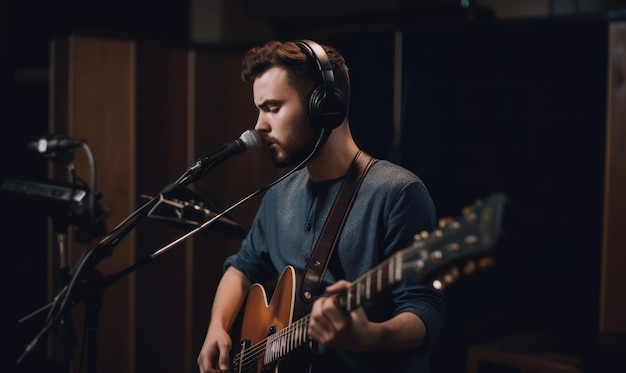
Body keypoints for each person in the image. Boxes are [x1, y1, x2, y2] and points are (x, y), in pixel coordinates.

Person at [197, 39, 445, 373]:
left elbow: (424, 309)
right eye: (259, 109)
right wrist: (218, 326)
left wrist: (369, 336)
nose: (258, 126)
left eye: (272, 108)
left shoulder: (397, 194)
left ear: (325, 107)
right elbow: (242, 266)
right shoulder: (278, 195)